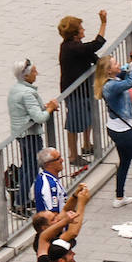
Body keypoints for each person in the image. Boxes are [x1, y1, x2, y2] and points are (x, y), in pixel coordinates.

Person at [94, 48, 132, 209]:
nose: (119, 64)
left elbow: (126, 70)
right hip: (122, 131)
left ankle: (119, 196)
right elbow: (131, 81)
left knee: (125, 161)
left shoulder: (111, 79)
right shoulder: (111, 87)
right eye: (115, 63)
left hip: (116, 128)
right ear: (108, 70)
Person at [54, 12, 104, 169]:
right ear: (75, 33)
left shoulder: (77, 47)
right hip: (75, 92)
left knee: (88, 116)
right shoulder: (70, 48)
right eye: (81, 28)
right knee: (74, 123)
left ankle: (87, 144)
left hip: (84, 90)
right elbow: (95, 45)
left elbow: (92, 56)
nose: (83, 30)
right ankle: (73, 155)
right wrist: (103, 24)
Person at [10, 58, 58, 214]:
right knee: (31, 169)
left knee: (26, 167)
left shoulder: (16, 89)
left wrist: (44, 108)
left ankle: (21, 198)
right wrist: (49, 109)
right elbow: (40, 118)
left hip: (20, 134)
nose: (37, 73)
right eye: (34, 71)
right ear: (26, 75)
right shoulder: (28, 93)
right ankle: (19, 203)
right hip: (30, 136)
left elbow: (30, 111)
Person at [33, 149, 66, 214]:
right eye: (58, 159)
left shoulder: (46, 177)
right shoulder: (50, 184)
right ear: (48, 164)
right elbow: (53, 216)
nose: (62, 160)